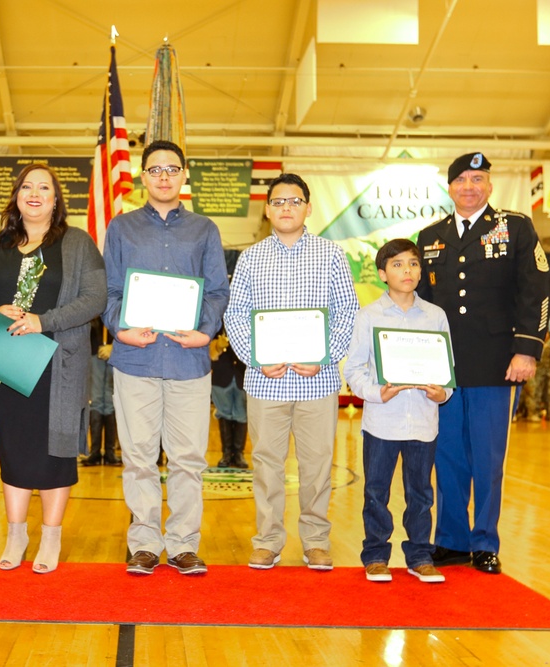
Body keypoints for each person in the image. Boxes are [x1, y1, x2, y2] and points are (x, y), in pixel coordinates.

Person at [0, 164, 106, 573]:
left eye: (44, 187)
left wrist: (44, 321)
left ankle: (51, 536)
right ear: (17, 195)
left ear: (57, 199)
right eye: (27, 186)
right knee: (12, 449)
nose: (35, 193)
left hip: (56, 367)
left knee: (55, 452)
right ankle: (16, 533)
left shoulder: (78, 244)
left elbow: (94, 298)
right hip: (7, 365)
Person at [416, 152, 550, 574]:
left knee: (488, 458)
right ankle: (452, 541)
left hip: (497, 364)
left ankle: (484, 542)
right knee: (448, 456)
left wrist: (527, 349)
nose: (470, 187)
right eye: (461, 180)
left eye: (478, 179)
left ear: (489, 186)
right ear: (450, 187)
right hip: (445, 367)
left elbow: (537, 287)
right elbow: (420, 305)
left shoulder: (515, 227)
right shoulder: (430, 236)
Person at [102, 140, 230, 576]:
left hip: (187, 360)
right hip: (135, 360)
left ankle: (182, 545)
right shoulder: (121, 229)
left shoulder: (204, 229)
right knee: (138, 457)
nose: (163, 176)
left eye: (171, 169)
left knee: (188, 459)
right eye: (154, 169)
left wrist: (205, 331)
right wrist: (120, 327)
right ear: (143, 176)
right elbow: (111, 290)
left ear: (183, 175)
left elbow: (216, 291)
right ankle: (143, 543)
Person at [225, 173, 358, 572]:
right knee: (267, 463)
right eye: (278, 201)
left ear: (308, 207)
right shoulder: (251, 258)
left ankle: (316, 541)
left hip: (317, 379)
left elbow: (347, 311)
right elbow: (235, 315)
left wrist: (326, 356)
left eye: (294, 201)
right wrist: (255, 357)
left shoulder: (331, 255)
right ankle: (267, 541)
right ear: (267, 209)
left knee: (317, 465)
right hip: (266, 379)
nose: (286, 208)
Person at [343, 239, 451, 583]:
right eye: (398, 264)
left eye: (413, 264)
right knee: (376, 492)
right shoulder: (368, 316)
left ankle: (420, 554)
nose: (408, 270)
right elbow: (354, 369)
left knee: (421, 493)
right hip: (382, 422)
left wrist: (441, 392)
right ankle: (375, 555)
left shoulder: (436, 316)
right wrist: (377, 392)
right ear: (382, 273)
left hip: (422, 421)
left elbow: (447, 371)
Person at [80, 318, 120, 466]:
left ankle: (110, 452)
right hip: (94, 351)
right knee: (96, 401)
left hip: (116, 353)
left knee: (110, 402)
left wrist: (114, 347)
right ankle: (95, 452)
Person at [210, 328, 248, 468]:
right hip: (221, 375)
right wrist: (217, 346)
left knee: (242, 415)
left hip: (243, 375)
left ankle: (239, 453)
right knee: (223, 413)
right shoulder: (217, 319)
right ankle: (226, 453)